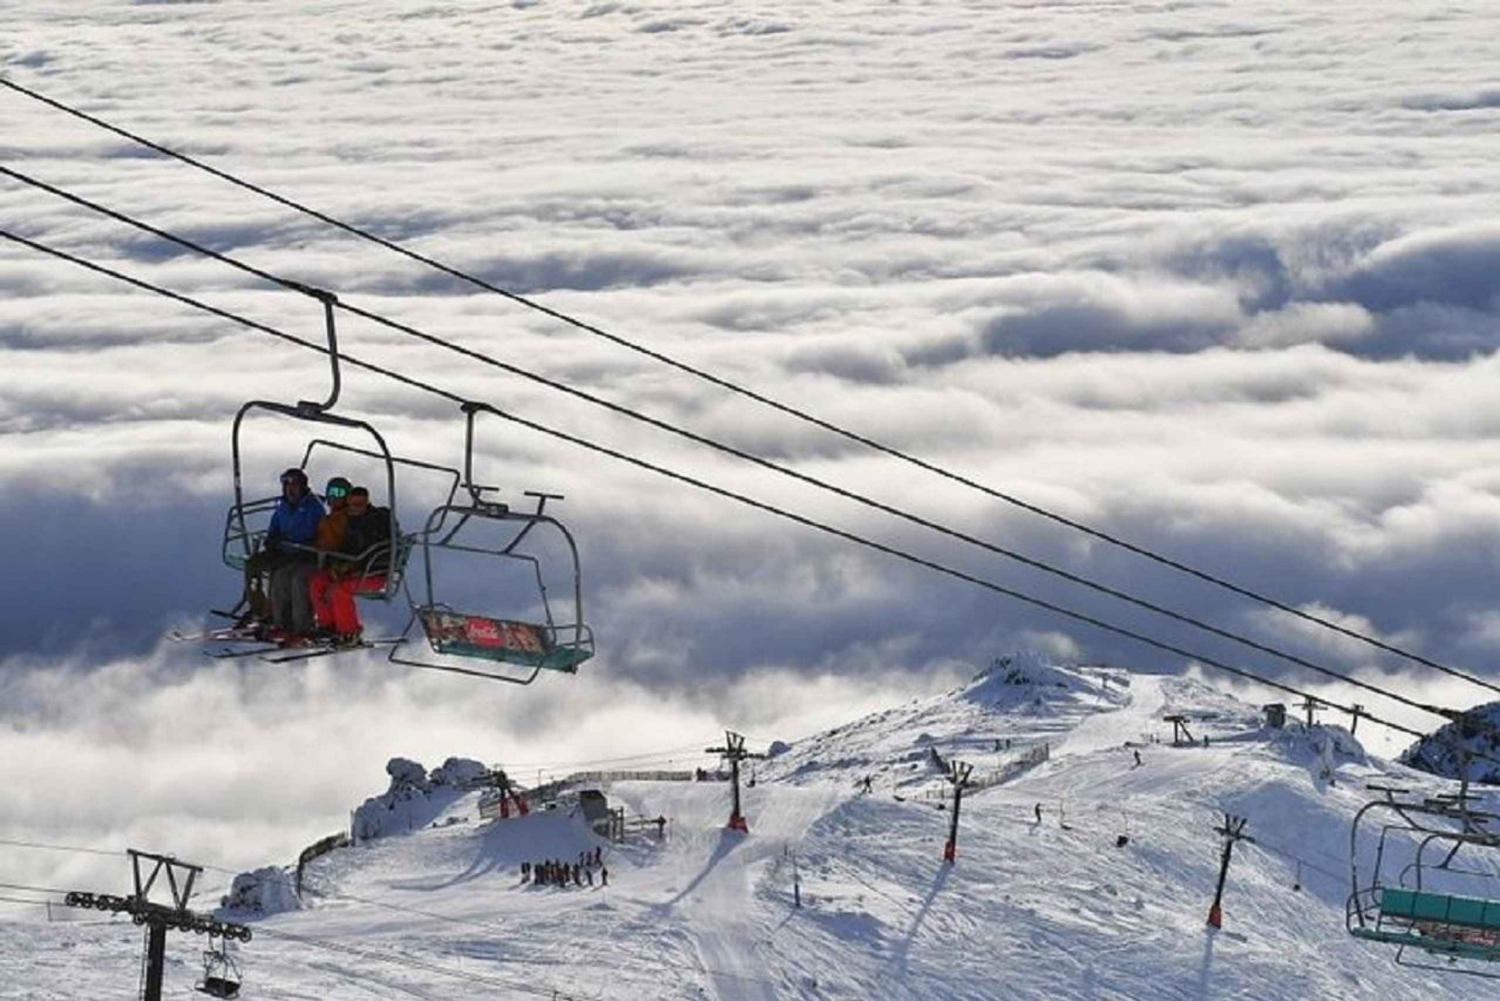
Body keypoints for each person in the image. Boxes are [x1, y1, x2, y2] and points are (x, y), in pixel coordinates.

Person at [310, 485, 394, 645]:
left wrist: (349, 568)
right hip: (354, 571)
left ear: (367, 503)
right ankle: (328, 625)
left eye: (360, 505)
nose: (356, 509)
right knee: (318, 581)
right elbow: (345, 550)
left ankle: (349, 632)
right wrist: (337, 566)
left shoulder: (375, 523)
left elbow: (374, 553)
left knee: (340, 589)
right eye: (352, 505)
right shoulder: (350, 523)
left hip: (374, 574)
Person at [265, 469, 326, 646]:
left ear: (302, 487)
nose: (290, 490)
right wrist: (273, 542)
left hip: (311, 557)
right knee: (280, 576)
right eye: (286, 485)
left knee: (299, 579)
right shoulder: (283, 507)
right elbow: (274, 528)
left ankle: (303, 627)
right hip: (291, 555)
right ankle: (282, 624)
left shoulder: (313, 507)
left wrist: (310, 546)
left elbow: (322, 534)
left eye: (294, 485)